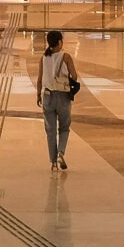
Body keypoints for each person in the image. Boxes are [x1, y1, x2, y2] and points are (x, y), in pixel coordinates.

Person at [37, 31, 80, 171]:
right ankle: (61, 152)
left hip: (47, 96)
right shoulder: (65, 57)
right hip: (62, 96)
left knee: (50, 130)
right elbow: (75, 76)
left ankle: (53, 162)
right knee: (64, 127)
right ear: (60, 42)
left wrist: (38, 95)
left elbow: (39, 79)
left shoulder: (43, 58)